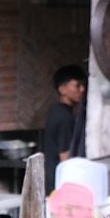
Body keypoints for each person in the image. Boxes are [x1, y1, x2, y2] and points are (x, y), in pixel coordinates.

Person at [41, 64, 87, 193]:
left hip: (51, 179)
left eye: (83, 85)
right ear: (62, 89)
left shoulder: (55, 110)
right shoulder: (65, 117)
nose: (82, 89)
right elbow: (65, 157)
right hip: (59, 183)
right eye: (77, 85)